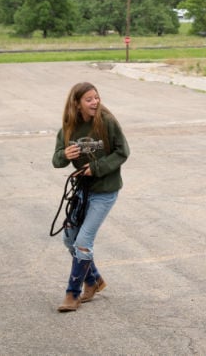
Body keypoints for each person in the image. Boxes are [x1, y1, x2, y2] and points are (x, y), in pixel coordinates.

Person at [52, 82, 129, 312]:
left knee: (83, 242)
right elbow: (56, 160)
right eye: (89, 99)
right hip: (82, 191)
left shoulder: (107, 122)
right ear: (77, 103)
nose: (95, 102)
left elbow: (122, 151)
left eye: (96, 97)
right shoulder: (68, 128)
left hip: (105, 191)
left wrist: (96, 167)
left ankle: (72, 294)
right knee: (69, 239)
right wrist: (65, 154)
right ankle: (94, 279)